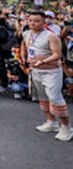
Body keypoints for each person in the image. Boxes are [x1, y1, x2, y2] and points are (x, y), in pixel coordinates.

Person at [20, 10, 72, 141]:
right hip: (35, 70)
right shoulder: (26, 34)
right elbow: (23, 45)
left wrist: (42, 61)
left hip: (51, 71)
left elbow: (57, 54)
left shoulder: (51, 36)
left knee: (55, 98)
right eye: (30, 20)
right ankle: (51, 122)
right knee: (42, 98)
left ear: (44, 22)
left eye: (36, 21)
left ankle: (66, 127)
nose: (33, 23)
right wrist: (22, 56)